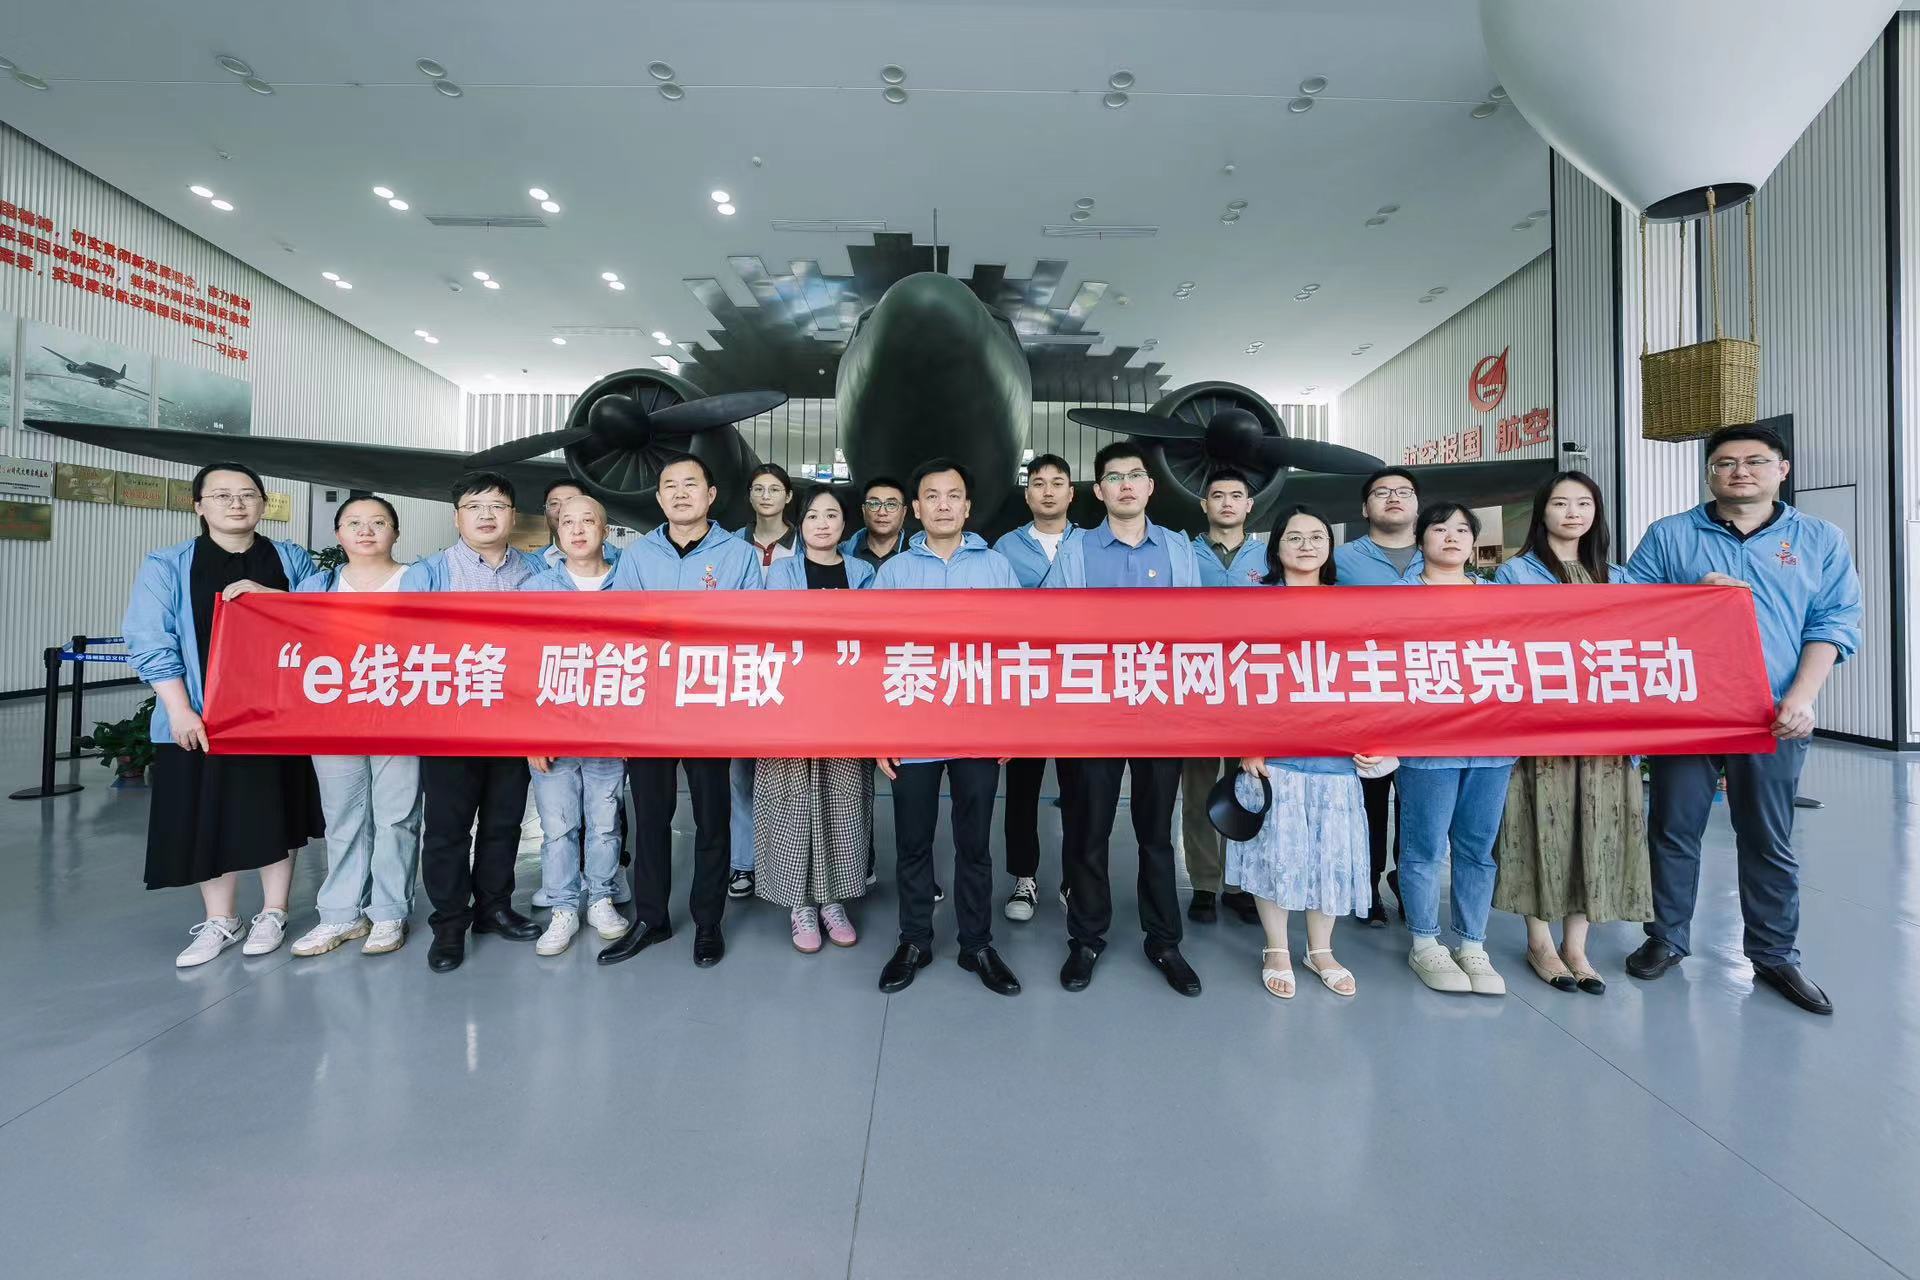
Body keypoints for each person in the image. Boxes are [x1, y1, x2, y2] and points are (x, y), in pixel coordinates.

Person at [1621, 423, 1861, 1015]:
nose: (1739, 472)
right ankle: (1667, 936)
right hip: (1687, 709)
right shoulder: (1671, 535)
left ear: (1782, 470)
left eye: (1755, 461)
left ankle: (1775, 953)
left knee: (1766, 836)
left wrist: (1802, 697)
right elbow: (1628, 607)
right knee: (1673, 828)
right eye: (1725, 463)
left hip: (1772, 713)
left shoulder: (1819, 539)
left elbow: (1833, 622)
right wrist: (1691, 592)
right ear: (1710, 474)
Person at [126, 462, 321, 967]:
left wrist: (276, 596)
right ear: (199, 506)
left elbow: (323, 613)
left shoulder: (290, 558)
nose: (237, 503)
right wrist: (179, 709)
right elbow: (150, 638)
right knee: (206, 811)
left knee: (275, 811)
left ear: (263, 503)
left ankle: (274, 912)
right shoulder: (168, 565)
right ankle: (222, 919)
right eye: (222, 495)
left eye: (248, 494)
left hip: (277, 713)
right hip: (202, 714)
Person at [1042, 442, 1204, 996]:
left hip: (1160, 710)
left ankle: (1165, 941)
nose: (1127, 484)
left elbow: (1194, 628)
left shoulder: (1178, 548)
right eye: (1114, 477)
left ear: (1151, 487)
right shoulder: (1076, 550)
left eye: (1136, 475)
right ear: (1099, 491)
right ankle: (1086, 938)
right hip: (1095, 712)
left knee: (1156, 833)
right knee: (1089, 830)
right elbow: (1056, 627)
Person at [597, 453, 763, 969]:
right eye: (670, 485)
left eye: (691, 484)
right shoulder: (637, 556)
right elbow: (624, 626)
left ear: (711, 495)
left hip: (709, 708)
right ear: (659, 498)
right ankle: (652, 919)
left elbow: (751, 629)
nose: (681, 493)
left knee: (712, 819)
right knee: (651, 816)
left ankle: (708, 921)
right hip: (650, 710)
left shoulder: (738, 556)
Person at [1491, 473, 1651, 994]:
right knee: (1541, 824)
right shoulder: (1515, 573)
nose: (1573, 512)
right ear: (1543, 512)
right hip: (1541, 731)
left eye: (1584, 503)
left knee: (1596, 827)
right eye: (1560, 503)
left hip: (1604, 732)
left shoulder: (1619, 578)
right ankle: (1540, 941)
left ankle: (1577, 946)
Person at [873, 459, 1023, 996]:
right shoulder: (893, 574)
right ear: (916, 508)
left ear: (967, 506)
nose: (943, 504)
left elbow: (1016, 651)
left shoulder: (997, 567)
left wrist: (1011, 726)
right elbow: (873, 657)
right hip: (911, 729)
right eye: (932, 496)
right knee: (913, 842)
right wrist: (878, 733)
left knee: (974, 843)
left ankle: (976, 943)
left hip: (978, 730)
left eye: (953, 495)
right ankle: (914, 939)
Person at [1228, 506, 1386, 999]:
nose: (1306, 545)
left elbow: (1370, 676)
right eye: (1294, 537)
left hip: (1334, 755)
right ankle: (1276, 947)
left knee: (1328, 854)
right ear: (1276, 548)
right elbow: (1235, 676)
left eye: (1317, 536)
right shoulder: (1254, 606)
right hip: (1273, 755)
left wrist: (1373, 738)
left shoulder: (1351, 606)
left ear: (1329, 547)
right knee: (1274, 853)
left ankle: (1321, 950)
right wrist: (1246, 742)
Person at [402, 471, 550, 972]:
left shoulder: (536, 573)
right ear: (456, 517)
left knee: (504, 822)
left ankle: (494, 908)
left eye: (497, 506)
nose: (486, 515)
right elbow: (402, 642)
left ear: (513, 515)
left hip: (513, 720)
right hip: (450, 723)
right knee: (447, 829)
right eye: (475, 506)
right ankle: (449, 924)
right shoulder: (428, 573)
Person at [288, 495, 422, 958]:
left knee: (397, 817)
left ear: (395, 532)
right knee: (343, 817)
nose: (366, 531)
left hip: (401, 716)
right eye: (354, 523)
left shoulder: (420, 579)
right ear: (338, 533)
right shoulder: (316, 586)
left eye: (378, 522)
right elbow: (285, 630)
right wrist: (257, 597)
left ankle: (388, 912)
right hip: (334, 719)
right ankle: (341, 914)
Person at [1393, 502, 1514, 996]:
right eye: (1439, 528)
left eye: (1462, 530)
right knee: (1424, 848)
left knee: (1478, 850)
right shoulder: (1395, 599)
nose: (1451, 537)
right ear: (1420, 538)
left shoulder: (1500, 598)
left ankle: (1472, 944)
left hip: (1491, 744)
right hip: (1426, 745)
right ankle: (1424, 941)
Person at [760, 487, 877, 951]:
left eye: (832, 515)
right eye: (813, 515)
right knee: (791, 803)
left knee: (841, 802)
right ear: (800, 523)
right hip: (791, 704)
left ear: (845, 524)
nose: (822, 524)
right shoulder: (781, 572)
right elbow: (777, 631)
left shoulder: (863, 573)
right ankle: (800, 905)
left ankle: (832, 900)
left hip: (847, 707)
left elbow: (873, 637)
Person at [519, 495, 633, 956]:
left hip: (610, 731)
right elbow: (522, 666)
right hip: (553, 732)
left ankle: (601, 898)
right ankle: (564, 907)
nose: (579, 529)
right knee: (558, 827)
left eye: (589, 521)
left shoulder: (629, 584)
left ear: (606, 530)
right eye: (568, 522)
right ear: (557, 530)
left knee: (605, 823)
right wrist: (531, 733)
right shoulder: (536, 589)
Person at [991, 452, 1081, 923]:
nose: (1048, 491)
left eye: (1057, 482)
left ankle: (1074, 878)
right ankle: (1023, 877)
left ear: (1071, 493)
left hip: (1079, 683)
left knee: (1079, 788)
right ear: (1027, 495)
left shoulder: (1092, 543)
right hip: (1025, 683)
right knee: (1022, 789)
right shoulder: (1005, 547)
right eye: (1039, 484)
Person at [1334, 466, 1423, 927]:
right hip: (1365, 698)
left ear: (1417, 506)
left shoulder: (1439, 553)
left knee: (1417, 801)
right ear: (1365, 508)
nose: (1393, 498)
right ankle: (1365, 884)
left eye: (1403, 491)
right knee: (1367, 798)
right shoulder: (1341, 560)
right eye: (1381, 492)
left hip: (1426, 697)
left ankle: (1408, 882)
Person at [1184, 466, 1265, 928]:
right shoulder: (1183, 553)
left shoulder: (1268, 556)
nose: (1228, 503)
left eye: (1237, 495)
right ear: (1204, 504)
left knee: (1247, 789)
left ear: (1249, 505)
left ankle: (1239, 884)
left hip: (1253, 691)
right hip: (1198, 688)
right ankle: (1203, 883)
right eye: (1218, 495)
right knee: (1198, 791)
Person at [726, 464, 798, 899]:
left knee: (789, 777)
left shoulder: (808, 543)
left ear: (788, 496)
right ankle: (743, 862)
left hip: (795, 674)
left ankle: (788, 862)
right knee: (741, 774)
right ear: (749, 495)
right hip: (743, 672)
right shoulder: (730, 546)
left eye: (775, 488)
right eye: (758, 488)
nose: (766, 495)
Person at [842, 475, 909, 571]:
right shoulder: (843, 552)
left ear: (904, 512)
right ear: (864, 510)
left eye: (891, 505)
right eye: (874, 504)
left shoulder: (917, 553)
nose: (882, 512)